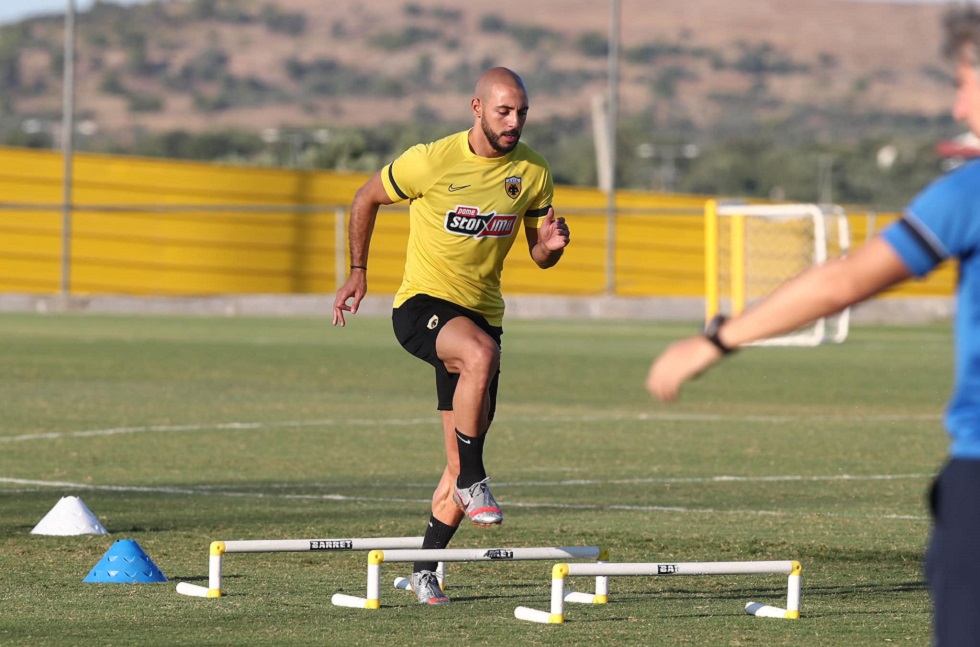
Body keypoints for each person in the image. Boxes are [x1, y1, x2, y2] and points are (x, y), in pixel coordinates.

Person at [646, 7, 980, 645]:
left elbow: (844, 280)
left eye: (965, 82)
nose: (960, 107)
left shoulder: (968, 194)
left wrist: (717, 338)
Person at [332, 67, 570, 605]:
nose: (514, 122)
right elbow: (365, 197)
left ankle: (425, 569)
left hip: (483, 315)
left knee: (458, 455)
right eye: (504, 111)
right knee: (478, 380)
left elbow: (536, 255)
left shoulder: (532, 172)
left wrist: (550, 248)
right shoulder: (430, 160)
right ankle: (477, 475)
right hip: (422, 307)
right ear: (477, 107)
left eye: (522, 113)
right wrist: (359, 270)